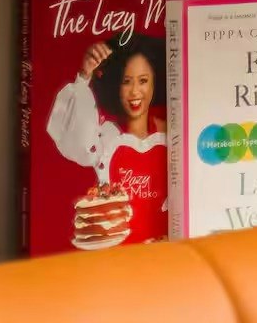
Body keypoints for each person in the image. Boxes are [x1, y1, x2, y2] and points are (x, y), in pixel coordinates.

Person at [46, 33, 169, 243]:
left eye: (143, 81)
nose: (135, 91)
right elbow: (75, 140)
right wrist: (85, 76)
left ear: (154, 83)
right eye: (126, 82)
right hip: (116, 252)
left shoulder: (172, 134)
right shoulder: (105, 138)